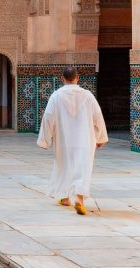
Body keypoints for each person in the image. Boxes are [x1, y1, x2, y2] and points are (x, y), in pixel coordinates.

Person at [36, 66, 108, 215]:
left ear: (62, 78)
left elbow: (48, 116)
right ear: (77, 78)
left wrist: (44, 140)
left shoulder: (56, 96)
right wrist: (101, 137)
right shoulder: (87, 95)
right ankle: (78, 199)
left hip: (64, 139)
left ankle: (65, 197)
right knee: (82, 168)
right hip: (85, 139)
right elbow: (98, 116)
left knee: (64, 166)